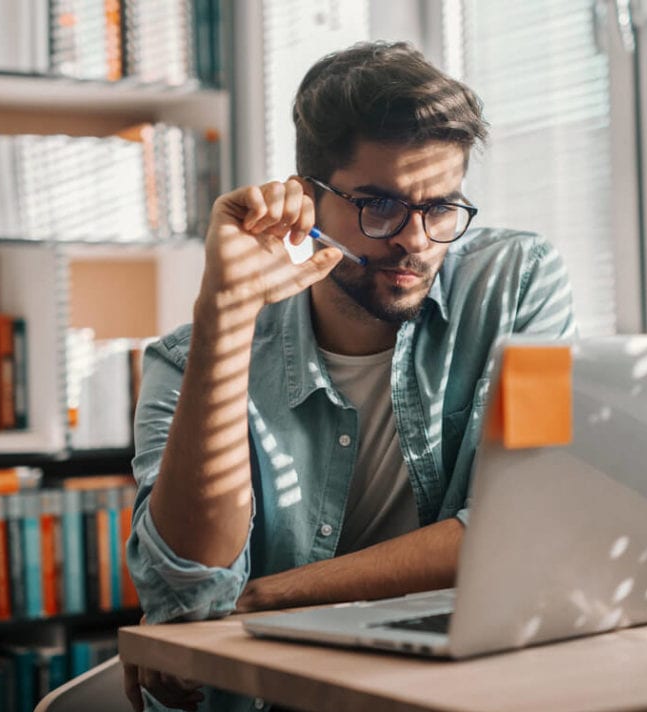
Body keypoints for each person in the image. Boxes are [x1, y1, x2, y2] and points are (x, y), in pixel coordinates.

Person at [121, 41, 576, 711]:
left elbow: (517, 526)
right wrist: (226, 312)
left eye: (442, 205)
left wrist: (268, 596)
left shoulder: (516, 283)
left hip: (448, 688)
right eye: (379, 205)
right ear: (307, 201)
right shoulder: (185, 360)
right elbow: (189, 594)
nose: (416, 241)